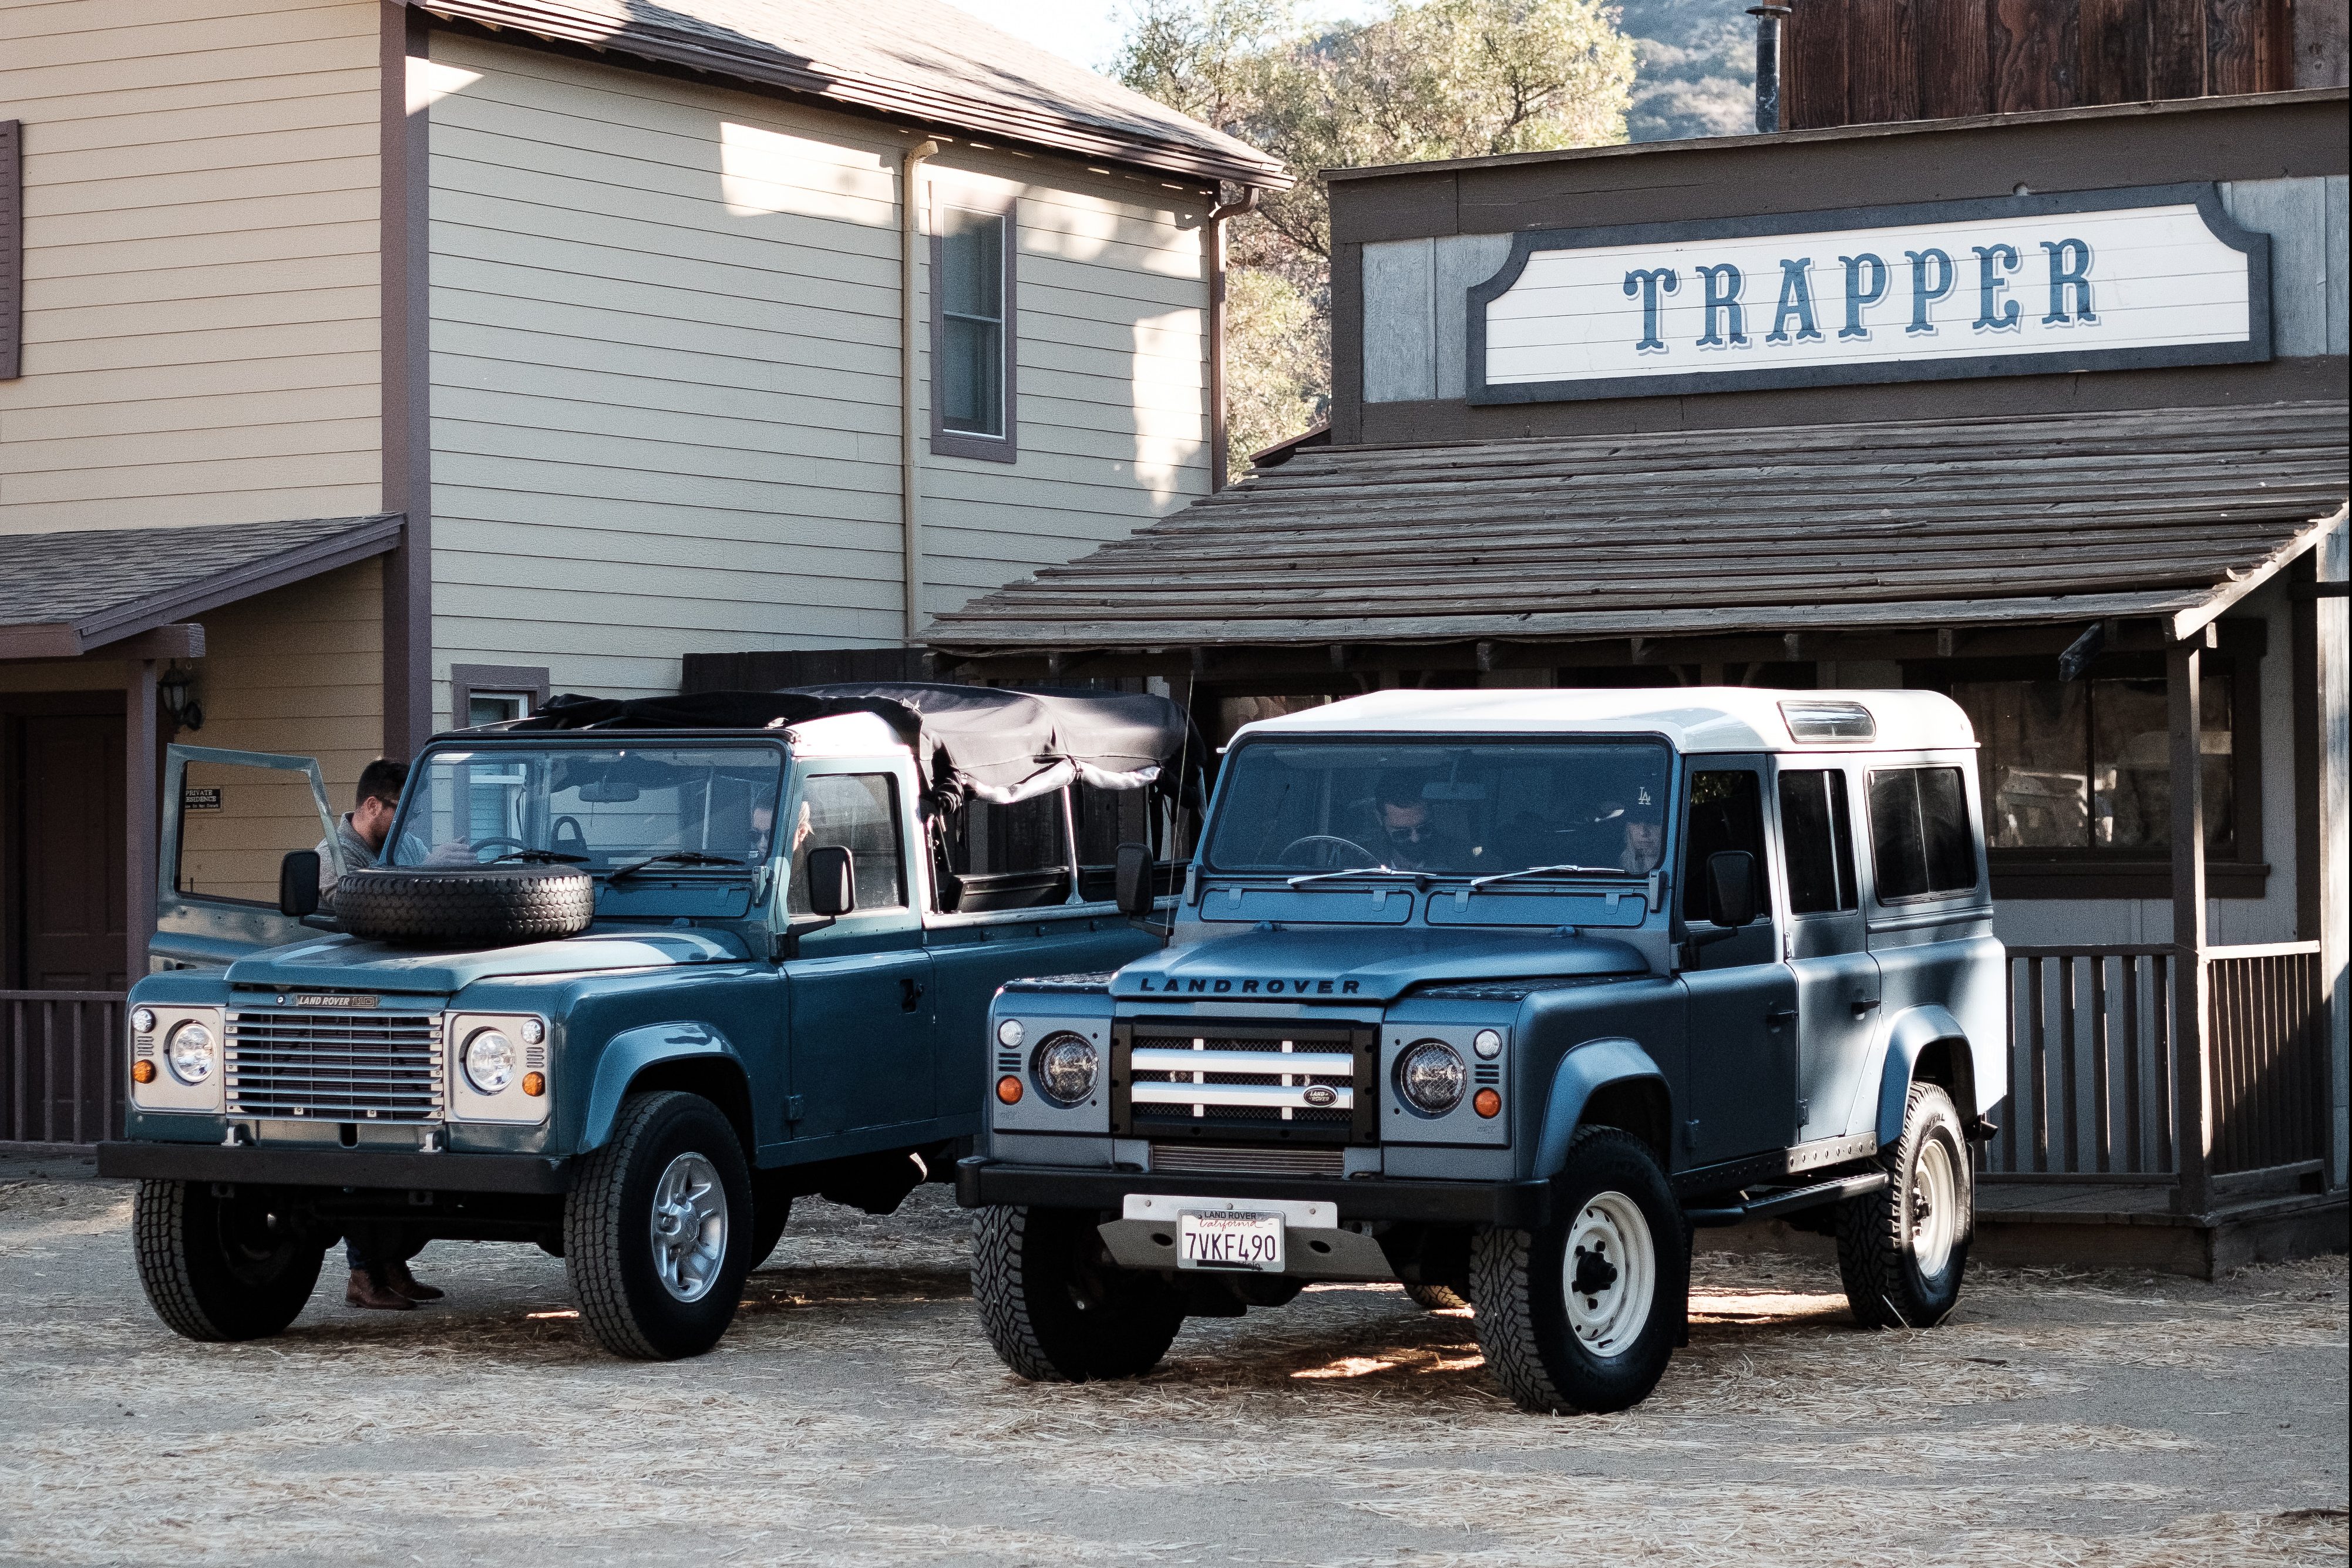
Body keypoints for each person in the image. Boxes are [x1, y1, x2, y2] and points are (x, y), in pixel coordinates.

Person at [313, 759, 443, 1311]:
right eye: (399, 809)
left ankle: (392, 1265)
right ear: (373, 807)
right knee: (360, 1146)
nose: (407, 822)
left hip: (400, 1011)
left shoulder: (407, 849)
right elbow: (347, 916)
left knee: (401, 1146)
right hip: (344, 1019)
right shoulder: (331, 857)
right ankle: (362, 1275)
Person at [315, 758, 409, 913]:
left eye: (414, 810)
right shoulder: (333, 855)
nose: (410, 821)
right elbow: (366, 909)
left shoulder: (407, 842)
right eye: (404, 809)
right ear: (373, 806)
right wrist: (430, 864)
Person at [1374, 776, 1469, 872]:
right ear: (1379, 818)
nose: (1415, 839)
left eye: (1424, 829)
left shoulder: (1464, 859)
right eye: (1402, 833)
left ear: (1432, 814)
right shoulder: (1363, 860)